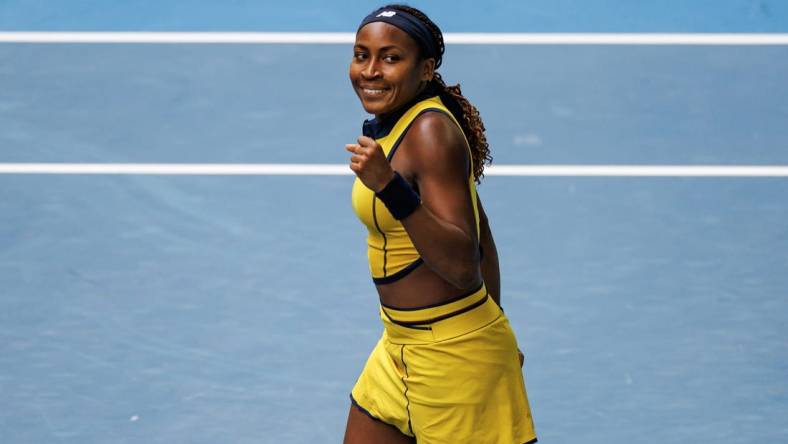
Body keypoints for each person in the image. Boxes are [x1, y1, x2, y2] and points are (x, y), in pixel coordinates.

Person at [344, 5, 537, 443]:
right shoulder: (392, 126)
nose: (370, 71)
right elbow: (481, 229)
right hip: (399, 346)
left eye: (391, 58)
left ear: (426, 69)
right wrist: (499, 325)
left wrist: (389, 186)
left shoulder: (431, 133)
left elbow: (463, 264)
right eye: (361, 55)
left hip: (454, 357)